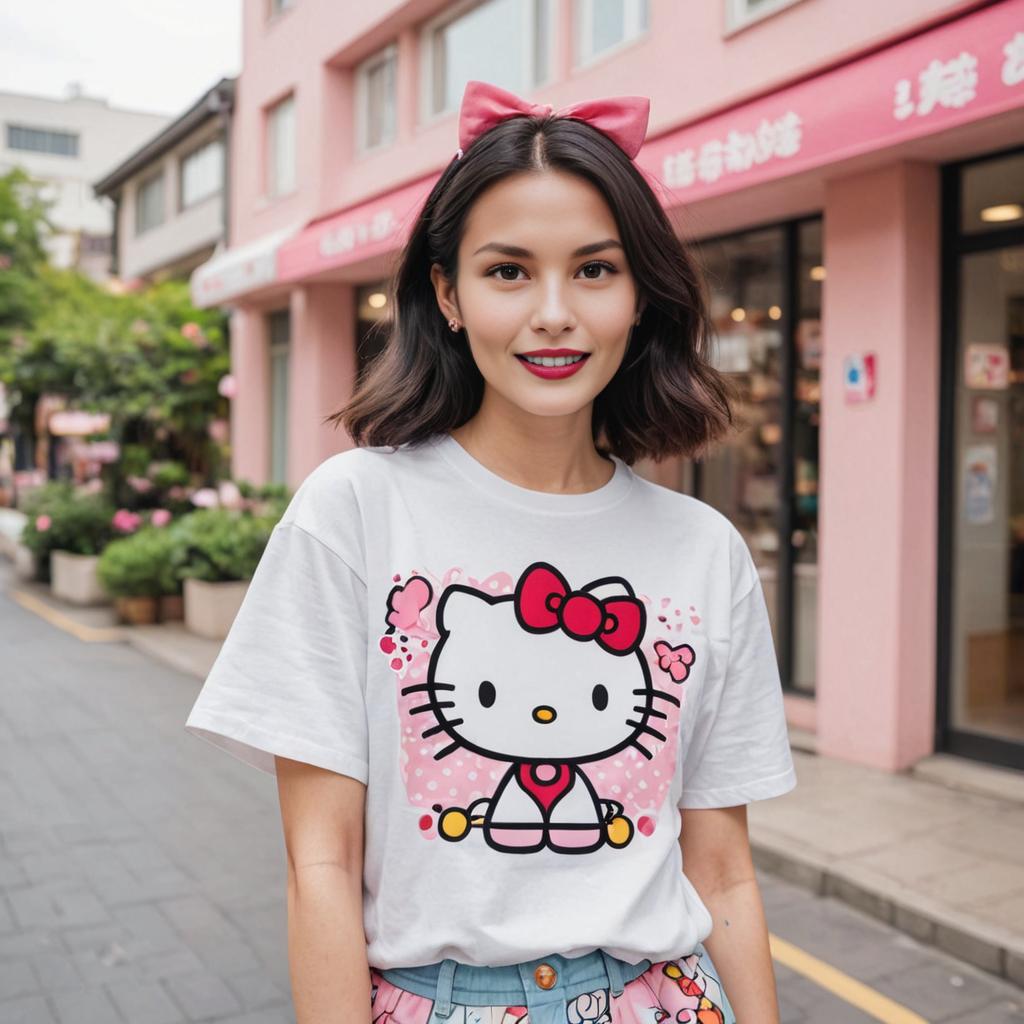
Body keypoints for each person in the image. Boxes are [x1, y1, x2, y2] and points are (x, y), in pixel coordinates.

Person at [184, 78, 797, 1024]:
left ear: (640, 296)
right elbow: (321, 867)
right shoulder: (352, 511)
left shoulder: (703, 551)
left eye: (595, 270)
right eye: (509, 271)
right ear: (448, 293)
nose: (554, 313)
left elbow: (724, 871)